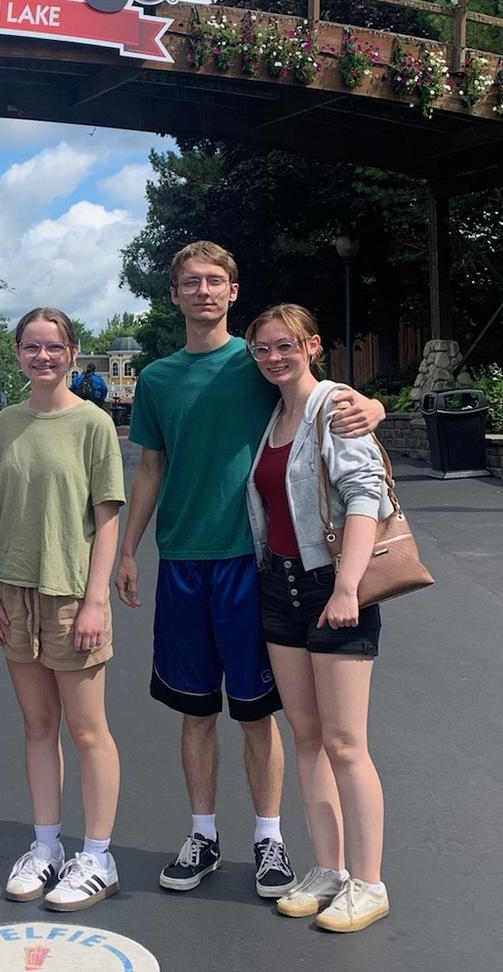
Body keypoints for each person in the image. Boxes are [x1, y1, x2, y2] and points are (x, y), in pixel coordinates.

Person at [116, 241, 384, 901]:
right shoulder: (157, 379)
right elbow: (149, 468)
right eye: (190, 282)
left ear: (233, 291)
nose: (203, 291)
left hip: (251, 562)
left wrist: (371, 406)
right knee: (194, 710)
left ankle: (269, 839)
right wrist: (127, 550)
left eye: (215, 281)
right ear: (174, 294)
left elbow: (319, 395)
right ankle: (203, 836)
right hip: (183, 560)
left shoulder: (258, 360)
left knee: (257, 713)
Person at [243, 303, 394, 932]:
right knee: (307, 735)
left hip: (332, 585)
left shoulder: (336, 407)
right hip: (279, 587)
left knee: (346, 743)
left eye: (286, 345)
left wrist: (348, 586)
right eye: (263, 349)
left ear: (312, 344)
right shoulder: (275, 415)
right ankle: (329, 869)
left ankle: (369, 882)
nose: (274, 357)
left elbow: (365, 494)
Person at [0, 309, 126, 910]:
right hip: (14, 586)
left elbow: (107, 517)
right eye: (31, 347)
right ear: (18, 352)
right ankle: (46, 846)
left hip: (70, 590)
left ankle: (98, 856)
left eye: (54, 347)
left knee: (88, 729)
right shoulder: (5, 423)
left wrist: (96, 599)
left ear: (72, 350)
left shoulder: (93, 424)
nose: (43, 357)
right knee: (38, 725)